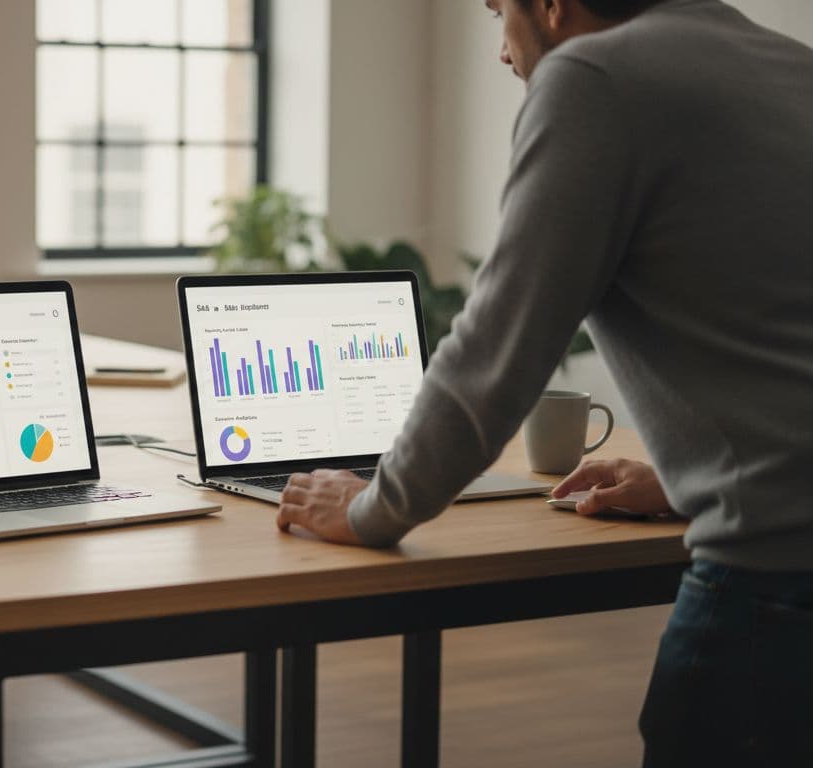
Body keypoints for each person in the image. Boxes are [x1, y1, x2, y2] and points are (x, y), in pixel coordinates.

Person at [275, 0, 813, 763]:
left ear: (554, 6)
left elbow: (495, 350)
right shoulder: (789, 65)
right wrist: (691, 478)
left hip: (777, 595)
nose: (500, 50)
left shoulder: (594, 79)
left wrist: (369, 509)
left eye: (500, 12)